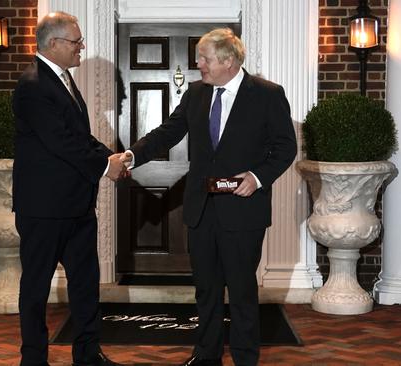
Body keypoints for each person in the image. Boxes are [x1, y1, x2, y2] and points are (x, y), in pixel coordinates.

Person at [121, 28, 297, 366]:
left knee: (242, 291)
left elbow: (286, 147)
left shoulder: (267, 94)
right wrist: (132, 156)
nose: (198, 64)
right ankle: (206, 355)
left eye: (204, 58)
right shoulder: (196, 94)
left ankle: (245, 358)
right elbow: (167, 133)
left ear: (228, 60)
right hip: (201, 210)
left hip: (243, 212)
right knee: (206, 290)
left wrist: (258, 177)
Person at [12, 11, 124, 366]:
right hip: (43, 210)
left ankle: (88, 356)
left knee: (85, 286)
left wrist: (112, 156)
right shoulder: (33, 86)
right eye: (76, 42)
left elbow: (80, 138)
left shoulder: (62, 80)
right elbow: (61, 143)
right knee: (35, 288)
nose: (82, 47)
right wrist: (107, 167)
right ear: (54, 44)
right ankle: (33, 359)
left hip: (77, 206)